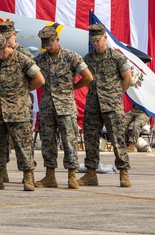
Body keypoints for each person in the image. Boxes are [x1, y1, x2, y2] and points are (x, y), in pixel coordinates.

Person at [0, 32, 44, 191]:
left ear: (8, 45)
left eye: (1, 51)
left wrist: (23, 90)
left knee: (22, 145)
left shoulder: (23, 60)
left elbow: (39, 79)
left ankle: (28, 177)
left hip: (18, 111)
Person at [35, 25, 92, 189]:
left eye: (50, 42)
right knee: (47, 141)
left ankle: (72, 176)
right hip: (47, 108)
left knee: (69, 141)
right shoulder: (40, 60)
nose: (48, 46)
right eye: (45, 43)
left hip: (65, 108)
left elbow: (88, 77)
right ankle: (50, 176)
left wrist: (72, 88)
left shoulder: (71, 57)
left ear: (57, 40)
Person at [81, 23, 133, 188]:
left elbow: (128, 79)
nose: (96, 43)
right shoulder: (87, 59)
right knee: (90, 140)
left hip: (112, 106)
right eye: (93, 40)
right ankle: (90, 173)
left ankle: (124, 173)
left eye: (98, 40)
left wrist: (116, 94)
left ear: (104, 37)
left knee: (117, 140)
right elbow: (85, 78)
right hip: (93, 106)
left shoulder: (117, 57)